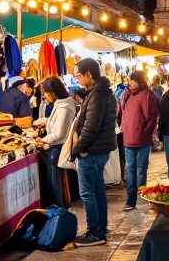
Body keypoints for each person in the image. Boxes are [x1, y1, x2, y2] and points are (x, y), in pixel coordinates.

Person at [71, 59, 118, 245]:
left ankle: (95, 233)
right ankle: (100, 228)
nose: (77, 80)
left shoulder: (97, 95)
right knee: (97, 190)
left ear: (89, 75)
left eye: (78, 76)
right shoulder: (101, 92)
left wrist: (78, 148)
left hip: (92, 151)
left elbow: (91, 126)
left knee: (87, 193)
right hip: (99, 149)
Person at [33, 77, 76, 209]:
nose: (44, 97)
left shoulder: (64, 107)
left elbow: (59, 133)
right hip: (55, 147)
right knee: (54, 181)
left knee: (55, 182)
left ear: (53, 92)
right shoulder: (60, 104)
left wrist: (42, 140)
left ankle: (60, 209)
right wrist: (45, 121)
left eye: (45, 93)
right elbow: (58, 124)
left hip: (58, 148)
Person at [121, 70, 159, 211]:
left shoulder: (148, 95)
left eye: (134, 80)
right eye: (131, 80)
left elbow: (152, 118)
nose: (131, 83)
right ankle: (130, 200)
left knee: (140, 170)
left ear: (140, 81)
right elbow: (122, 112)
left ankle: (141, 197)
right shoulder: (126, 94)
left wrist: (144, 133)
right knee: (130, 171)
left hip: (142, 140)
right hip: (128, 139)